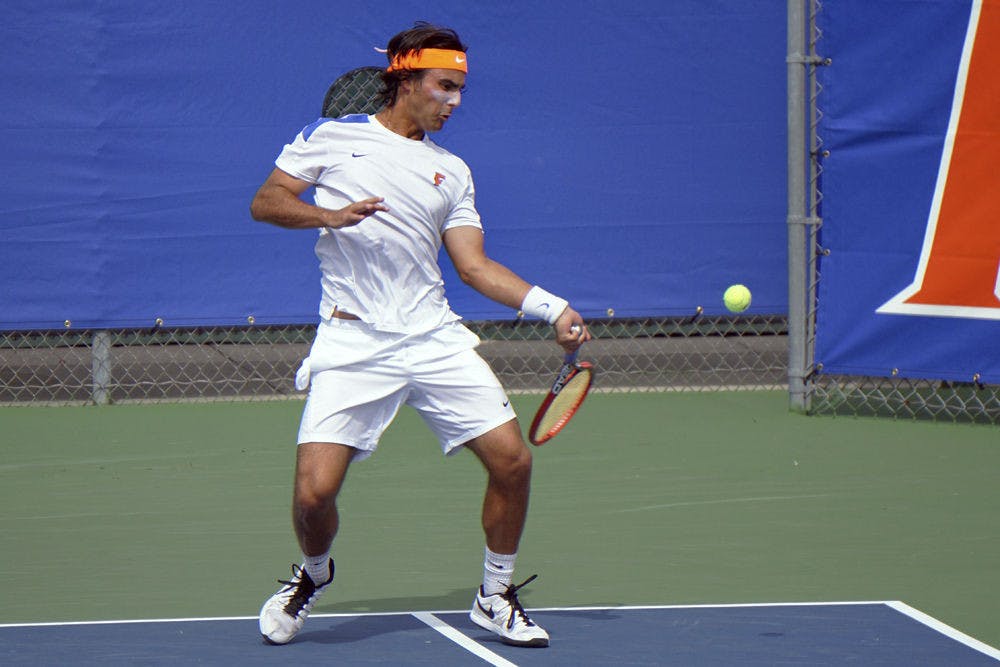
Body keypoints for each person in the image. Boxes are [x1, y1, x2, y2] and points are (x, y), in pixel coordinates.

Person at [250, 22, 589, 648]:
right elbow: (267, 201)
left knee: (513, 462)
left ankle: (494, 595)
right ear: (405, 79)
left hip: (433, 337)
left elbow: (475, 267)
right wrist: (328, 214)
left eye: (460, 89)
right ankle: (314, 575)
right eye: (444, 86)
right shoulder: (331, 138)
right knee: (313, 495)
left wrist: (553, 308)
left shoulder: (452, 170)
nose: (454, 101)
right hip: (353, 342)